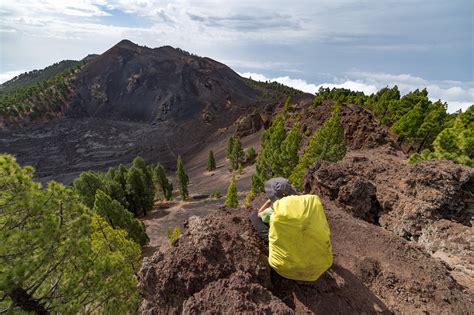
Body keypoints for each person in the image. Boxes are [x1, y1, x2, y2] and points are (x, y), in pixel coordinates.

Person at [248, 177, 298, 244]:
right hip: (299, 228)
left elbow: (259, 214)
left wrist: (268, 202)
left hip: (286, 238)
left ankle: (270, 241)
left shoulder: (273, 210)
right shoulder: (302, 200)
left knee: (253, 216)